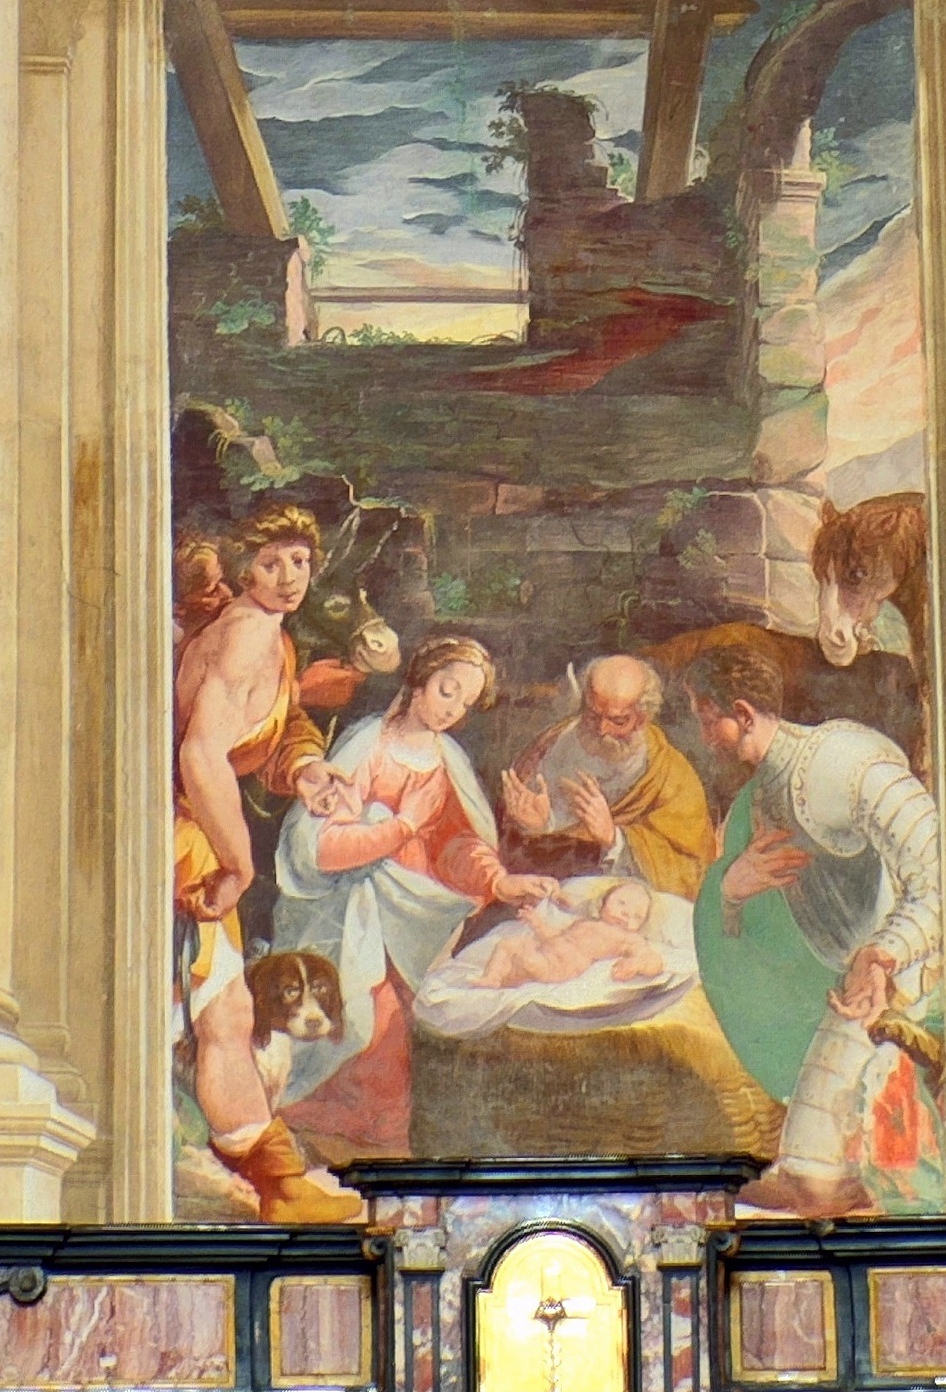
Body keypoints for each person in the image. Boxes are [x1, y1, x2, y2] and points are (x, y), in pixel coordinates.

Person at [689, 636, 943, 1216]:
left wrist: (883, 954)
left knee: (826, 1182)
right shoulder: (757, 800)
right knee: (806, 1179)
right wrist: (731, 889)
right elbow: (756, 937)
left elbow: (938, 871)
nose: (704, 737)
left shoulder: (842, 763)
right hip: (848, 987)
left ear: (744, 715)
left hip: (911, 974)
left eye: (709, 720)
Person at [271, 634, 549, 1158]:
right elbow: (325, 847)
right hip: (350, 918)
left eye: (465, 703)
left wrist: (498, 881)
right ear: (419, 681)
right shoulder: (366, 744)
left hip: (414, 921)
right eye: (448, 691)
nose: (453, 710)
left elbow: (457, 844)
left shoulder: (448, 762)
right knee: (364, 1028)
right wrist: (401, 827)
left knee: (396, 1042)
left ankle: (371, 1154)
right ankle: (325, 1143)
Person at [172, 508, 366, 1219]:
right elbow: (199, 756)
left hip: (191, 833)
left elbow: (272, 729)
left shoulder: (262, 634)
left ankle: (271, 1177)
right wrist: (237, 864)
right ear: (243, 566)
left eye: (300, 563)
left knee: (217, 1010)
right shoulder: (249, 636)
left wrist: (307, 769)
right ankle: (276, 1184)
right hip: (185, 841)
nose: (288, 579)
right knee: (222, 1011)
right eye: (271, 564)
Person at [501, 654, 714, 899]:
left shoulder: (671, 777)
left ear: (642, 718)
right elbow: (505, 839)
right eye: (592, 715)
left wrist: (613, 837)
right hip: (539, 889)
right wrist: (535, 826)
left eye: (618, 720)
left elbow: (692, 872)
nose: (602, 730)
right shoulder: (553, 744)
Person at [460, 877, 669, 993]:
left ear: (642, 924)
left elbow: (653, 960)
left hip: (560, 967)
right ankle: (492, 978)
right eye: (622, 903)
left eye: (637, 915)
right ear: (604, 901)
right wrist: (537, 923)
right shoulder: (583, 923)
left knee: (526, 961)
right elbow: (555, 936)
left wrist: (637, 964)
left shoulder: (628, 938)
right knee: (508, 944)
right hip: (547, 953)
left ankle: (502, 979)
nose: (626, 913)